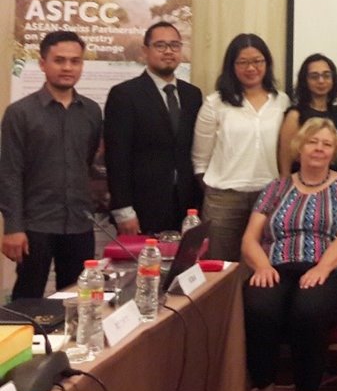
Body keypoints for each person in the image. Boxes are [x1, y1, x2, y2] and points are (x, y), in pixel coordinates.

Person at [242, 118, 337, 391]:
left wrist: (323, 267)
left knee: (308, 308)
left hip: (332, 271)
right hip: (277, 267)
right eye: (313, 141)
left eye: (326, 144)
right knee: (257, 305)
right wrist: (262, 266)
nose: (319, 148)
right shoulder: (277, 186)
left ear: (334, 151)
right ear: (299, 147)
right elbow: (249, 239)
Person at [0, 31, 102, 299]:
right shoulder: (20, 113)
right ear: (43, 63)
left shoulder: (92, 111)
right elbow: (9, 172)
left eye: (75, 61)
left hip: (79, 224)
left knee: (77, 300)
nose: (68, 67)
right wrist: (13, 227)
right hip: (35, 225)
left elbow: (87, 161)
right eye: (59, 60)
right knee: (27, 300)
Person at [192, 33, 289, 260]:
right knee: (221, 269)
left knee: (262, 267)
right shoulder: (215, 103)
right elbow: (200, 160)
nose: (251, 68)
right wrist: (217, 189)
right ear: (231, 66)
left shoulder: (282, 102)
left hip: (269, 196)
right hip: (224, 199)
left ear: (267, 63)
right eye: (243, 62)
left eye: (257, 61)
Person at [104, 21, 203, 235]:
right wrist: (123, 210)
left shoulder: (192, 95)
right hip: (142, 206)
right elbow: (117, 157)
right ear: (145, 51)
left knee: (186, 267)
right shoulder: (125, 95)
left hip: (186, 206)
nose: (168, 51)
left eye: (175, 45)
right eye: (160, 45)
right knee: (146, 267)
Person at [278, 53, 337, 176]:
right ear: (305, 80)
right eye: (314, 76)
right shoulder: (295, 115)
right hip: (302, 185)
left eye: (326, 75)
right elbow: (285, 164)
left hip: (334, 184)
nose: (321, 81)